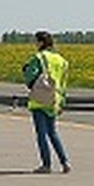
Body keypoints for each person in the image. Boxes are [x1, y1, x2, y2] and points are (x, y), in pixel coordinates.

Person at [23, 30, 71, 174]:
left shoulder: (39, 57)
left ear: (41, 43)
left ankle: (46, 164)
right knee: (53, 133)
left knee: (41, 134)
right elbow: (63, 83)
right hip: (54, 99)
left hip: (40, 99)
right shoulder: (62, 61)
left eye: (36, 41)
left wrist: (25, 71)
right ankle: (65, 161)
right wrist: (62, 101)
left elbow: (29, 76)